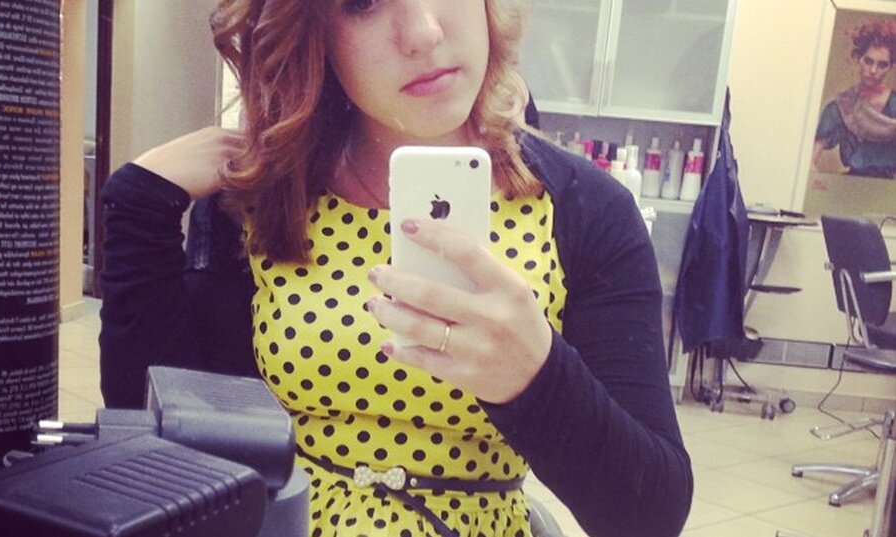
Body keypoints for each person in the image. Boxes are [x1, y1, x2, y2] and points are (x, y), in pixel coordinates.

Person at [99, 1, 692, 536]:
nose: (423, 32)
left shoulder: (584, 212)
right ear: (313, 30)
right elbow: (168, 439)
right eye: (362, 3)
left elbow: (649, 516)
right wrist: (140, 208)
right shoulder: (267, 199)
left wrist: (535, 376)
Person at [813, 20, 896, 179]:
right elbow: (810, 159)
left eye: (882, 65)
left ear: (890, 67)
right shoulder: (840, 106)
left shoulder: (894, 104)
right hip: (850, 186)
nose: (873, 70)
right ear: (858, 59)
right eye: (868, 61)